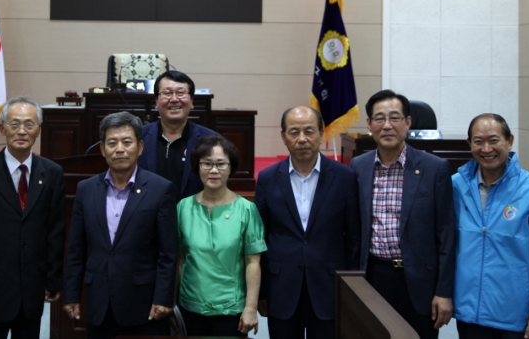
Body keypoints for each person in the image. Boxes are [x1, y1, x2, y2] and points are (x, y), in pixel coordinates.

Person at [0, 96, 66, 339]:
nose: (21, 131)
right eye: (14, 124)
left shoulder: (52, 173)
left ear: (38, 129)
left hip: (32, 290)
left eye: (29, 124)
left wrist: (54, 279)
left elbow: (55, 230)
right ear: (2, 127)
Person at [63, 111, 177, 338]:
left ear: (140, 147)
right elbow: (76, 249)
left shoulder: (160, 189)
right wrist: (72, 295)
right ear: (102, 149)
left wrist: (163, 298)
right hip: (98, 303)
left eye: (127, 142)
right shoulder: (86, 190)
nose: (120, 149)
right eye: (112, 143)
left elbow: (168, 252)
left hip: (144, 305)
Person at [352, 90, 455, 339]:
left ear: (408, 122)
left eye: (395, 118)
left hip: (419, 281)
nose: (387, 125)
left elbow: (447, 234)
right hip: (373, 276)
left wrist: (444, 291)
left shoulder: (434, 168)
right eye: (379, 118)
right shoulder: (358, 166)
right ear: (369, 124)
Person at [453, 113, 529, 339]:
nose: (486, 149)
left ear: (509, 141)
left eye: (493, 140)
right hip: (468, 312)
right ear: (469, 144)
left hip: (515, 316)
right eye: (478, 141)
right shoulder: (455, 186)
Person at [254, 105, 360, 339]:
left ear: (321, 134)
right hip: (282, 287)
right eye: (294, 132)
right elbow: (259, 237)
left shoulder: (345, 177)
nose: (302, 139)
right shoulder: (268, 178)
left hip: (329, 288)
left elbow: (353, 239)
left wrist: (351, 291)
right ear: (283, 136)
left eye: (309, 131)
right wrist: (261, 292)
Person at [177, 134, 266, 337]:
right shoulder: (182, 208)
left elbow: (253, 262)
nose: (214, 170)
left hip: (231, 309)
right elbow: (179, 259)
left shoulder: (246, 209)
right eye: (206, 164)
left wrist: (251, 308)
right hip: (190, 307)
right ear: (197, 167)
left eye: (221, 164)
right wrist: (172, 303)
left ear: (231, 167)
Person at [138, 70, 217, 200]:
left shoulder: (211, 140)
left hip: (194, 215)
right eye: (167, 93)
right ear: (156, 102)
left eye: (181, 93)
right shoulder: (138, 137)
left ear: (192, 101)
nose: (174, 99)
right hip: (148, 217)